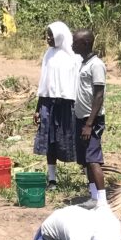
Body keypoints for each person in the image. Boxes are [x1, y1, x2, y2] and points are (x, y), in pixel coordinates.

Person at [33, 21, 81, 188]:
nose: (48, 38)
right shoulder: (48, 55)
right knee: (49, 141)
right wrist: (38, 109)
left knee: (70, 139)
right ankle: (52, 178)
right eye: (47, 34)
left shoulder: (74, 58)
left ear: (60, 36)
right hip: (48, 103)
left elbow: (77, 85)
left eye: (51, 35)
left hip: (67, 104)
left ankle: (89, 176)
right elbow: (43, 84)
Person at [71, 29, 108, 209]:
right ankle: (93, 196)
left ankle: (102, 201)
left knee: (93, 159)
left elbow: (99, 95)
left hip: (90, 120)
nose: (72, 45)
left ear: (85, 44)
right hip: (81, 118)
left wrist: (89, 124)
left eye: (75, 42)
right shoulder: (84, 63)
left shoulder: (96, 65)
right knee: (86, 159)